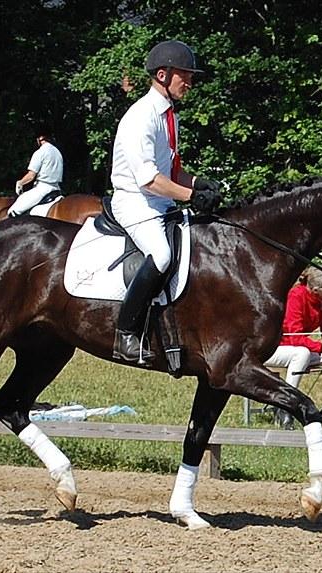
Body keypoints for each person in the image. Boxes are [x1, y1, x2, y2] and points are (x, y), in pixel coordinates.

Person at [110, 39, 222, 363]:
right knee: (160, 255)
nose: (190, 82)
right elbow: (149, 180)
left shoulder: (169, 116)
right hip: (135, 202)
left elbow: (173, 171)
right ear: (162, 75)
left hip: (159, 201)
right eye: (184, 75)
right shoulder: (141, 117)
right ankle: (126, 334)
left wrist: (200, 183)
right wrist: (191, 196)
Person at [264, 267, 322, 429]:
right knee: (302, 354)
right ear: (316, 289)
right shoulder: (296, 295)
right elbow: (294, 337)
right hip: (276, 348)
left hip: (301, 349)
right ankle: (285, 405)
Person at [7, 124, 64, 217]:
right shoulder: (58, 152)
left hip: (42, 189)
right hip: (57, 189)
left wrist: (20, 183)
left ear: (40, 138)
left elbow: (31, 175)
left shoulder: (40, 152)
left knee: (13, 211)